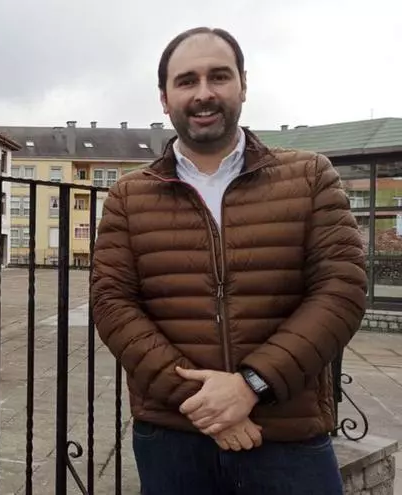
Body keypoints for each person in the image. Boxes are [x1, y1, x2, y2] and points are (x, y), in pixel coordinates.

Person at [90, 26, 367, 494]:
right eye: (187, 81)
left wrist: (251, 385)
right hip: (174, 435)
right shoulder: (128, 195)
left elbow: (341, 291)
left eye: (218, 77)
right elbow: (112, 304)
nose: (204, 93)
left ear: (242, 85)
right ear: (165, 99)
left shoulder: (310, 176)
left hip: (288, 435)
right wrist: (207, 404)